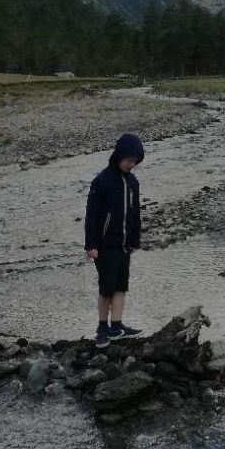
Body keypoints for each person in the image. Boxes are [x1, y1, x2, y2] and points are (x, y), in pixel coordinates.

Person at [84, 133, 145, 348]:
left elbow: (135, 213)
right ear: (119, 156)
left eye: (135, 161)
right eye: (129, 160)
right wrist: (90, 245)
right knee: (106, 288)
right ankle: (102, 328)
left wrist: (135, 239)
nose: (132, 165)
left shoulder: (133, 182)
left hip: (124, 245)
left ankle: (117, 326)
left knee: (121, 286)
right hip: (104, 245)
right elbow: (91, 215)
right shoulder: (101, 181)